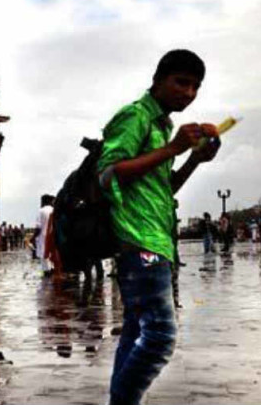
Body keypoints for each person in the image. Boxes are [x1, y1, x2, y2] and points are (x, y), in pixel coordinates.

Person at [96, 49, 220, 405]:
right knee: (161, 336)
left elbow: (163, 190)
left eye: (196, 86)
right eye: (182, 82)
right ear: (158, 79)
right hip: (139, 241)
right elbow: (108, 175)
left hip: (157, 239)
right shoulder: (135, 117)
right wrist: (174, 148)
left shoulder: (163, 126)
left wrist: (194, 158)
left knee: (136, 333)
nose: (189, 92)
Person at [35, 195, 54, 274]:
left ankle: (47, 274)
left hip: (43, 238)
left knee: (44, 257)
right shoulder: (54, 210)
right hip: (53, 237)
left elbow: (38, 227)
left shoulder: (41, 211)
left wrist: (33, 238)